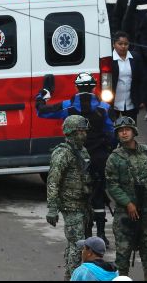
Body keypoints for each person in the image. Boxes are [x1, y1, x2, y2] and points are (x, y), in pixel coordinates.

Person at [36, 73, 115, 246]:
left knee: (81, 195)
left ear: (76, 87)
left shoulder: (66, 107)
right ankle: (101, 234)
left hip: (77, 157)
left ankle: (86, 235)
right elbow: (113, 131)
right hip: (100, 157)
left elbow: (41, 111)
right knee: (99, 192)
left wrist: (43, 93)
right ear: (94, 87)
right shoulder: (104, 107)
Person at [105, 116, 147, 281]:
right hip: (125, 213)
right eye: (120, 131)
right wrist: (128, 203)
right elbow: (112, 185)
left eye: (127, 130)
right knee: (123, 253)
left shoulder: (146, 151)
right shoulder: (114, 158)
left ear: (134, 131)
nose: (124, 133)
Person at [46, 115, 91, 280]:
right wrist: (52, 208)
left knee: (76, 244)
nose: (84, 135)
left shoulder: (82, 151)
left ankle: (70, 275)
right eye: (80, 131)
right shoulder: (62, 153)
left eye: (84, 131)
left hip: (83, 204)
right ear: (72, 132)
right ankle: (72, 277)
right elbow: (53, 181)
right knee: (78, 245)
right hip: (70, 206)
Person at [111, 31, 143, 122]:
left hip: (131, 101)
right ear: (114, 44)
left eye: (126, 44)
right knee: (113, 130)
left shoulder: (135, 58)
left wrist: (141, 99)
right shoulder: (109, 59)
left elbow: (141, 79)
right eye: (120, 44)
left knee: (131, 129)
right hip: (114, 101)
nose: (123, 46)